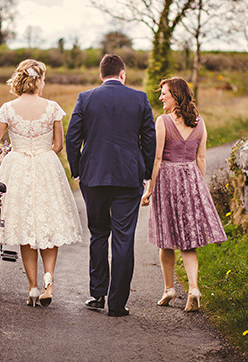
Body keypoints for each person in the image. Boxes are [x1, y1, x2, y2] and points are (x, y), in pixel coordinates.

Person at [0, 59, 82, 307]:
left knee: (26, 227)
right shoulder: (53, 108)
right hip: (46, 166)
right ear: (38, 80)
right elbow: (58, 146)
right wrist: (42, 153)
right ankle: (49, 281)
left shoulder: (8, 108)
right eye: (43, 79)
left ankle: (33, 288)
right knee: (48, 224)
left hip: (18, 166)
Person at [65, 54, 156, 317]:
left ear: (101, 74)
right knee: (124, 239)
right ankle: (117, 304)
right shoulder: (139, 98)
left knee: (98, 234)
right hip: (129, 179)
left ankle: (96, 295)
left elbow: (73, 138)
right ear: (123, 74)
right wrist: (145, 172)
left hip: (93, 177)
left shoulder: (86, 97)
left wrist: (78, 169)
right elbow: (149, 139)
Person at [141, 77, 227, 312]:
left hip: (167, 181)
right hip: (191, 180)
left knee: (165, 240)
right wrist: (197, 186)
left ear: (176, 96)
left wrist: (149, 189)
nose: (160, 98)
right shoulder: (199, 122)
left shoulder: (163, 121)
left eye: (164, 94)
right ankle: (193, 288)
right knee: (189, 242)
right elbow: (201, 159)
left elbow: (157, 159)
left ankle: (169, 289)